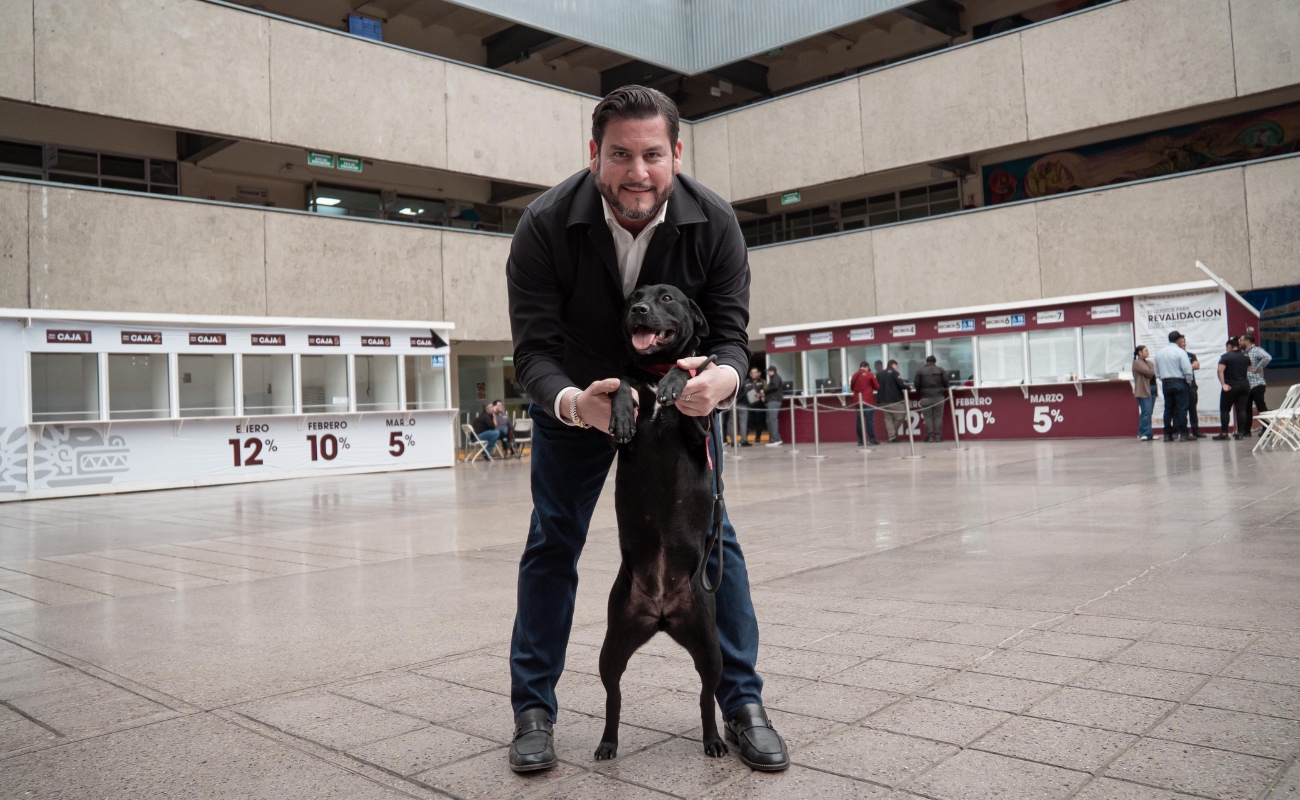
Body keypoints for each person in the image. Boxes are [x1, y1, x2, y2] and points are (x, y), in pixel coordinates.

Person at [504, 86, 789, 773]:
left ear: (676, 155)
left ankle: (743, 703)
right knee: (553, 540)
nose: (638, 172)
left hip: (674, 400)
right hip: (581, 399)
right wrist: (574, 404)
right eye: (621, 155)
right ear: (594, 154)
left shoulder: (714, 222)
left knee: (714, 544)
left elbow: (732, 337)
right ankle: (533, 711)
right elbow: (533, 353)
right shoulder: (544, 225)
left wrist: (723, 378)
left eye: (653, 155)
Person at [1154, 330, 1195, 442]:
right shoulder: (1180, 352)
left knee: (1168, 409)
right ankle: (1183, 434)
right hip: (1180, 381)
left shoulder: (1160, 353)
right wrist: (1189, 381)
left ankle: (1167, 434)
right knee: (1181, 408)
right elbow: (1187, 370)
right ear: (1179, 340)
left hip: (1166, 382)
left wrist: (1164, 379)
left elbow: (1157, 373)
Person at [1214, 337, 1252, 440]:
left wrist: (1223, 384)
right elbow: (1249, 368)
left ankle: (1224, 433)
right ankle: (1240, 433)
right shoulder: (1245, 355)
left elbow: (1220, 370)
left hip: (1231, 386)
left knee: (1225, 409)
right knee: (1241, 409)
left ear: (1229, 346)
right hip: (1244, 385)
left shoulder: (1225, 356)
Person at [912, 355, 950, 443]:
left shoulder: (920, 370)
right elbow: (946, 383)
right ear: (935, 362)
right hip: (939, 396)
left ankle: (929, 437)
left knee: (927, 417)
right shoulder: (940, 370)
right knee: (938, 417)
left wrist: (920, 390)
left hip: (925, 397)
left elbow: (916, 384)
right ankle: (938, 436)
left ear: (926, 362)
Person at [1240, 333, 1272, 436]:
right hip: (1247, 384)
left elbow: (1267, 357)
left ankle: (1267, 428)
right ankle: (1246, 430)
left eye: (1241, 340)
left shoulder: (1256, 350)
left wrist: (1257, 368)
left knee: (1261, 406)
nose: (1240, 342)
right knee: (1247, 408)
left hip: (1257, 383)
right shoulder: (1243, 352)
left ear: (1247, 341)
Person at [875, 359, 910, 443]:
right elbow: (901, 384)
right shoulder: (895, 373)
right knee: (901, 415)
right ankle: (892, 433)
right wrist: (909, 387)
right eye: (896, 366)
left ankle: (891, 437)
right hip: (894, 400)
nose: (897, 367)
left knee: (888, 419)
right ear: (893, 365)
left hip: (883, 400)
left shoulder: (879, 374)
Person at [849, 360, 880, 446]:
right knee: (869, 421)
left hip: (857, 401)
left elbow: (852, 388)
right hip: (868, 400)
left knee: (859, 421)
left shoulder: (854, 375)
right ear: (867, 367)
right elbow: (877, 386)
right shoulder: (870, 374)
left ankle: (860, 440)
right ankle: (872, 440)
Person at [1181, 341, 1206, 438]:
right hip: (1180, 386)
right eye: (1181, 342)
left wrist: (1183, 367)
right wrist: (1189, 366)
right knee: (1180, 409)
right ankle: (1180, 431)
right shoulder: (1175, 356)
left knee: (1193, 409)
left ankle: (1196, 430)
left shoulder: (1191, 355)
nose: (1183, 343)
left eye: (1184, 341)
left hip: (1191, 386)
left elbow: (1196, 366)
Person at [1132, 345, 1157, 441]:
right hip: (1143, 390)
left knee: (1149, 412)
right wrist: (1153, 371)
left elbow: (1153, 372)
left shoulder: (1149, 362)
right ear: (1140, 353)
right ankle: (1143, 433)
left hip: (1153, 388)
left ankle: (1149, 433)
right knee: (1146, 412)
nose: (1148, 352)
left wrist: (1153, 371)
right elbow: (1148, 372)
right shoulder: (1137, 363)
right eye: (1145, 350)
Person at [742, 366, 765, 446]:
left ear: (758, 373)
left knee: (759, 422)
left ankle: (757, 438)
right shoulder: (746, 382)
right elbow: (743, 392)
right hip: (749, 405)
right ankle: (745, 439)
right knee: (748, 422)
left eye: (755, 372)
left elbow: (767, 391)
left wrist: (761, 394)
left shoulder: (762, 382)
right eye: (752, 373)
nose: (753, 374)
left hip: (759, 405)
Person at [763, 366, 784, 446]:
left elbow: (774, 387)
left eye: (768, 371)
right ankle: (776, 438)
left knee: (772, 420)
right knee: (769, 420)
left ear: (772, 371)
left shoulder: (775, 378)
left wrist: (765, 390)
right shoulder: (774, 378)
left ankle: (775, 439)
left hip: (774, 400)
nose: (767, 373)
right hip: (772, 400)